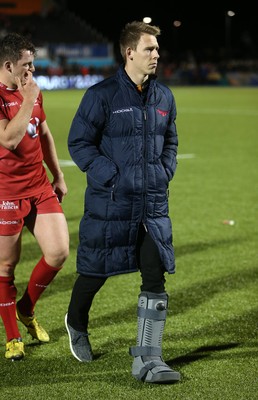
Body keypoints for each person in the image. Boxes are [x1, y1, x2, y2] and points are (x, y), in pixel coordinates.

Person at [65, 21, 180, 384]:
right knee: (94, 272)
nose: (156, 55)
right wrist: (112, 176)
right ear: (129, 52)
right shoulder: (101, 95)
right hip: (112, 204)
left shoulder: (164, 97)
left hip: (151, 206)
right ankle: (77, 323)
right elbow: (79, 143)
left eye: (157, 49)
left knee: (154, 275)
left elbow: (172, 141)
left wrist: (164, 171)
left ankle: (148, 357)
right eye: (149, 49)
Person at [0, 32, 69, 361]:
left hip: (39, 186)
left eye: (34, 64)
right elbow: (9, 140)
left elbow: (43, 132)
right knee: (6, 265)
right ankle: (13, 336)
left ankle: (26, 309)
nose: (33, 72)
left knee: (58, 253)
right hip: (7, 191)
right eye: (27, 66)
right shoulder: (9, 95)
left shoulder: (31, 91)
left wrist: (58, 174)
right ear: (9, 65)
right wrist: (28, 99)